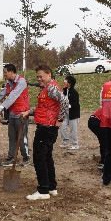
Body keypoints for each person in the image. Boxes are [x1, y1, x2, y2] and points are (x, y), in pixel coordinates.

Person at [20, 65, 69, 200]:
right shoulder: (47, 88)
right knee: (47, 157)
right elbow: (44, 106)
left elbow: (65, 102)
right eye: (37, 77)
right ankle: (51, 187)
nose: (39, 79)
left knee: (39, 157)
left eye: (41, 76)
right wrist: (29, 112)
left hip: (47, 127)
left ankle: (43, 190)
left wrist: (60, 119)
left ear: (49, 74)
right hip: (46, 126)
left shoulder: (52, 88)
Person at [0, 64, 31, 167]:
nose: (4, 74)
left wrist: (3, 106)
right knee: (12, 137)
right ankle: (11, 158)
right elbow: (2, 95)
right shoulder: (8, 83)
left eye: (5, 72)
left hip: (22, 114)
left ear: (11, 72)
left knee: (22, 137)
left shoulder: (21, 82)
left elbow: (14, 95)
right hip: (12, 114)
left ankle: (26, 158)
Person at [60, 75, 80, 150]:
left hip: (73, 113)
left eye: (66, 80)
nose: (64, 81)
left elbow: (76, 103)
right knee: (62, 126)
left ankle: (75, 144)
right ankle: (66, 142)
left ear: (69, 83)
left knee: (73, 129)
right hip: (65, 112)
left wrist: (69, 105)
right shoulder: (65, 90)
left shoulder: (74, 92)